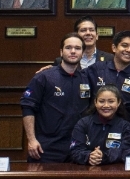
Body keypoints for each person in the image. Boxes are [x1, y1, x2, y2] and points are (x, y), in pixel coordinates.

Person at [20, 33, 91, 162]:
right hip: (46, 148)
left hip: (77, 149)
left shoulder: (87, 79)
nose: (73, 51)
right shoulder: (44, 77)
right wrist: (31, 139)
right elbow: (27, 107)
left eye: (78, 48)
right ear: (61, 51)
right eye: (68, 48)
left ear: (83, 53)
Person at [68, 85, 130, 165]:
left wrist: (104, 156)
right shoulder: (83, 123)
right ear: (95, 102)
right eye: (101, 101)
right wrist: (89, 156)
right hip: (87, 173)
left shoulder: (125, 126)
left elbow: (127, 150)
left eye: (111, 101)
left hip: (115, 173)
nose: (106, 105)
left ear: (118, 103)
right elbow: (75, 150)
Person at [85, 30, 130, 118]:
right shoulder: (97, 69)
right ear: (114, 48)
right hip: (96, 126)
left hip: (125, 128)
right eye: (124, 45)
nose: (129, 50)